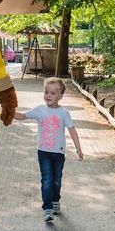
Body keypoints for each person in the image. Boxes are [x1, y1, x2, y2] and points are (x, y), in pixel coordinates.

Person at [14, 77, 83, 222]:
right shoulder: (40, 110)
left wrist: (78, 149)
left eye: (52, 93)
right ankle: (47, 208)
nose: (48, 96)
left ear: (60, 96)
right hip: (43, 152)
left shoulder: (64, 113)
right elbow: (22, 116)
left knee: (56, 181)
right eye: (46, 92)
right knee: (47, 180)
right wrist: (8, 112)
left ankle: (55, 200)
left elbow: (72, 130)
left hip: (58, 152)